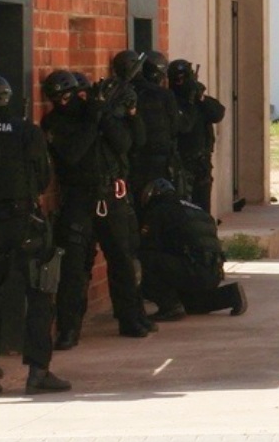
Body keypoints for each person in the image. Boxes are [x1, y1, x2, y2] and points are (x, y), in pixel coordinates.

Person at [41, 67, 153, 347]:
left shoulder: (99, 115)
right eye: (58, 98)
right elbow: (72, 155)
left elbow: (126, 144)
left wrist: (106, 115)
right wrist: (93, 119)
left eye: (69, 97)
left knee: (122, 260)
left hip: (110, 196)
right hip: (78, 199)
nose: (64, 103)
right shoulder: (56, 122)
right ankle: (69, 329)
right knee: (74, 267)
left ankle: (131, 318)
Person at [0, 75, 71, 395]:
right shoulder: (26, 130)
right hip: (24, 220)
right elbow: (43, 177)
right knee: (40, 293)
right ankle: (38, 371)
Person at [137, 179, 247, 322]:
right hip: (214, 271)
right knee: (188, 304)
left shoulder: (160, 210)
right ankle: (230, 295)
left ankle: (169, 306)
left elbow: (147, 244)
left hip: (192, 269)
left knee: (141, 260)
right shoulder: (195, 208)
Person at [168, 59, 226, 213]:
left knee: (201, 207)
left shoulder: (200, 101)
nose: (181, 83)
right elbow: (184, 126)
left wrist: (200, 98)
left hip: (201, 162)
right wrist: (190, 103)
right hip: (179, 162)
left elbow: (217, 113)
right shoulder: (171, 100)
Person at [128, 50, 182, 201]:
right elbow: (175, 127)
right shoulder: (165, 95)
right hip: (159, 158)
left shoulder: (129, 92)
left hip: (134, 157)